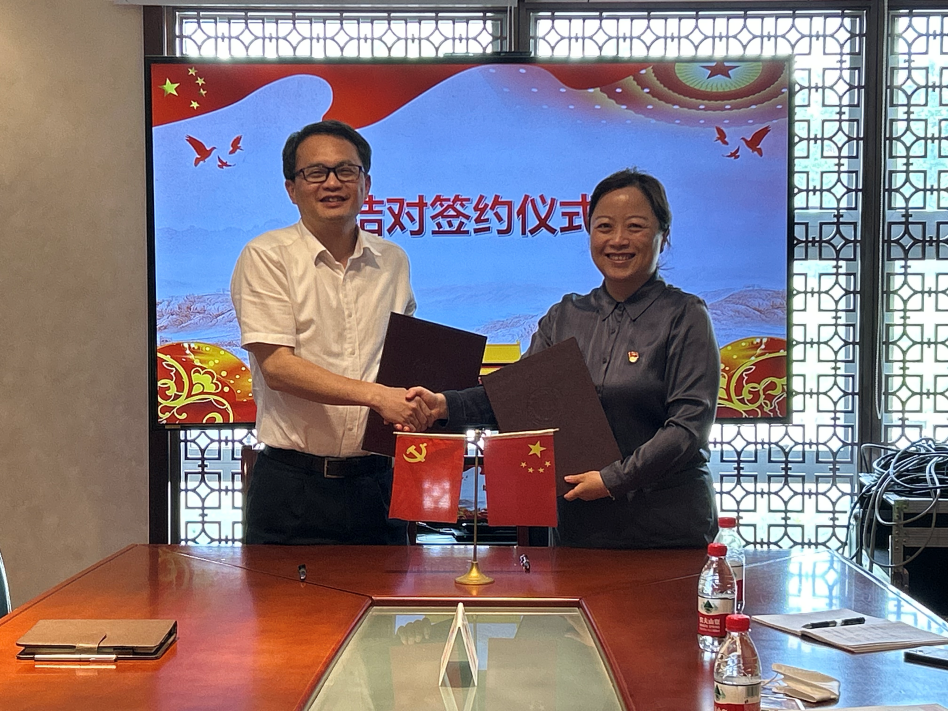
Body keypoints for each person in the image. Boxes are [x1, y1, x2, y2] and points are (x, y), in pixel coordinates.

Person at [410, 169, 721, 548]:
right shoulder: (565, 316)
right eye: (604, 226)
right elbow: (517, 398)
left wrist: (612, 480)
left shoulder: (685, 315)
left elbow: (687, 428)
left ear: (663, 235)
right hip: (581, 527)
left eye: (635, 226)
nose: (618, 240)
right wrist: (444, 405)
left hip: (668, 526)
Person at [231, 120, 431, 545]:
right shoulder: (267, 256)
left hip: (377, 483)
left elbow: (404, 359)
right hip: (292, 487)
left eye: (346, 170)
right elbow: (278, 369)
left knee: (383, 591)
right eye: (315, 172)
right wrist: (377, 396)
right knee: (283, 594)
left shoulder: (393, 261)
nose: (332, 183)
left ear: (366, 183)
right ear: (291, 188)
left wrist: (424, 403)